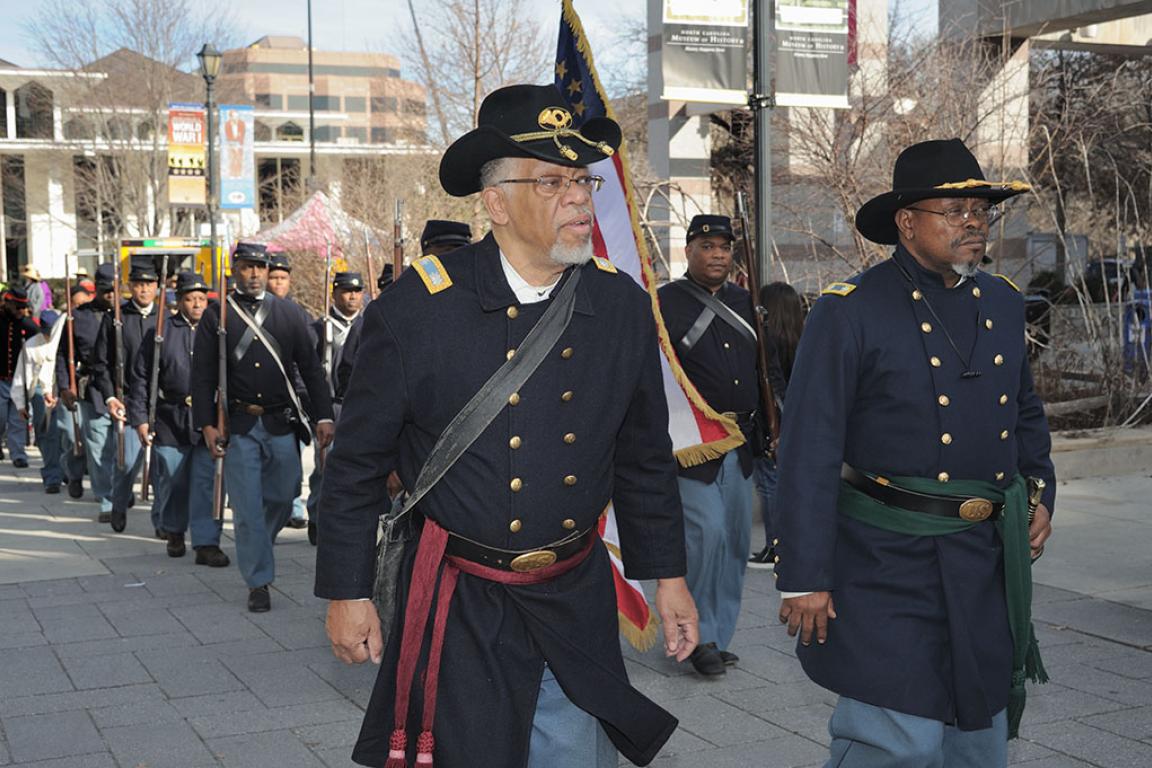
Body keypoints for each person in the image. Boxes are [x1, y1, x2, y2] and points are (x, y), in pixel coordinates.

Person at [316, 83, 698, 768]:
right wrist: (346, 592)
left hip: (573, 592)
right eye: (552, 182)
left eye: (582, 179)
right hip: (458, 603)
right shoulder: (419, 311)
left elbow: (643, 458)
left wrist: (665, 578)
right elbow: (356, 466)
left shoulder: (619, 307)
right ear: (495, 203)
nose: (579, 197)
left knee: (580, 752)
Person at [773, 138, 1056, 767]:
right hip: (884, 559)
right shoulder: (850, 312)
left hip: (982, 561)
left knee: (978, 742)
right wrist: (805, 575)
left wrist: (1039, 493)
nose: (973, 222)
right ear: (906, 223)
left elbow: (1024, 412)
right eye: (952, 212)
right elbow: (808, 449)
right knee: (898, 739)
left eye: (980, 210)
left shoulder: (1005, 302)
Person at [191, 241, 334, 612]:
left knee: (284, 494)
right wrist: (206, 423)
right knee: (248, 507)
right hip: (238, 424)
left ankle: (255, 544)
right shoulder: (216, 314)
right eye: (247, 266)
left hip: (280, 420)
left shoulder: (289, 313)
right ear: (234, 269)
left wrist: (322, 415)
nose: (254, 274)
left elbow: (311, 369)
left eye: (260, 267)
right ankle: (259, 580)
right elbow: (203, 375)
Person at [656, 214, 760, 677]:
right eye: (706, 246)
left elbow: (766, 370)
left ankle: (718, 633)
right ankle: (695, 632)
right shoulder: (663, 304)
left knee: (736, 541)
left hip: (741, 441)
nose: (717, 254)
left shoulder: (748, 300)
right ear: (688, 251)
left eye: (723, 247)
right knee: (706, 534)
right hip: (690, 446)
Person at [129, 272, 228, 566]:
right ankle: (173, 529)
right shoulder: (161, 331)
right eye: (190, 299)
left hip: (207, 418)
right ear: (179, 300)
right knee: (173, 480)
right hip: (171, 418)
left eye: (201, 298)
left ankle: (206, 542)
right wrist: (140, 418)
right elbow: (141, 378)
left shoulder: (218, 329)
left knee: (207, 482)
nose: (197, 304)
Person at [747, 282, 804, 568]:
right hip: (797, 420)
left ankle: (774, 544)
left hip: (772, 422)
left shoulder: (765, 341)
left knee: (768, 482)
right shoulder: (802, 338)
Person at [105, 264, 162, 533]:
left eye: (149, 284)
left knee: (162, 468)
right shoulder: (116, 318)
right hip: (128, 400)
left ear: (157, 287)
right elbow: (101, 363)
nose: (144, 289)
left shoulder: (165, 319)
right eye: (139, 284)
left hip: (161, 402)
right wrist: (110, 397)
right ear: (130, 286)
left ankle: (164, 522)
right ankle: (118, 504)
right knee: (126, 462)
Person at [13, 309, 65, 492]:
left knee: (64, 435)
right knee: (45, 435)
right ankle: (52, 475)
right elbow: (21, 375)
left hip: (61, 387)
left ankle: (62, 470)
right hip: (38, 392)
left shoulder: (64, 341)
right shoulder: (31, 346)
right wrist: (20, 403)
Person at [0, 288, 43, 468]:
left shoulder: (29, 326)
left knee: (18, 419)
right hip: (0, 377)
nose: (20, 311)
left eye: (22, 307)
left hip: (20, 381)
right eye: (17, 307)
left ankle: (18, 453)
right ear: (7, 303)